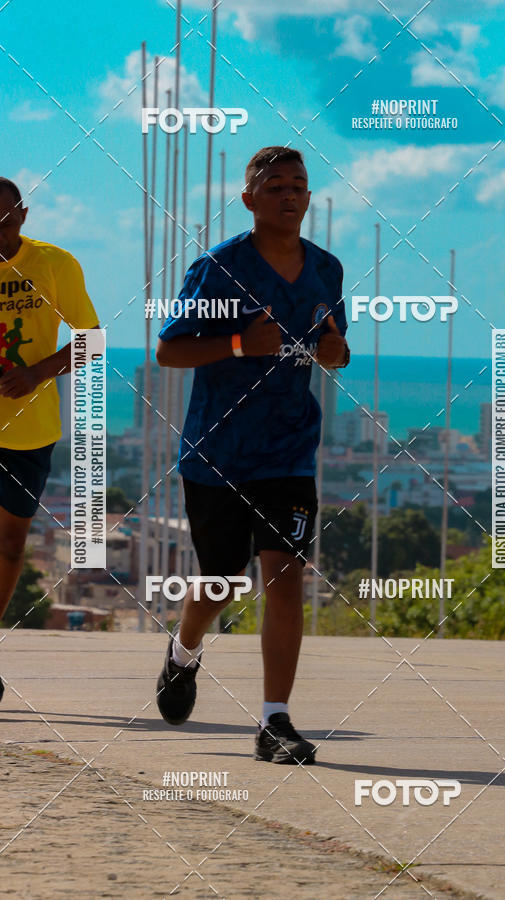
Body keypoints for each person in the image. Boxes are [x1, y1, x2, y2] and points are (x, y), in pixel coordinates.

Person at [155, 146, 350, 764]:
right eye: (275, 186)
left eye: (299, 185)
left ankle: (275, 723)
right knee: (221, 581)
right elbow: (170, 353)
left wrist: (334, 351)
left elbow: (336, 348)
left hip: (290, 452)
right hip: (218, 452)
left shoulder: (326, 269)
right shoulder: (219, 267)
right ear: (249, 199)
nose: (289, 194)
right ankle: (184, 650)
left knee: (285, 580)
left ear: (310, 197)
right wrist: (239, 342)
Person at [0, 177, 100, 703]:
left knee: (11, 545)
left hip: (31, 430)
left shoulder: (54, 264)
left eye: (5, 220)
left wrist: (38, 372)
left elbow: (92, 339)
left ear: (23, 215)